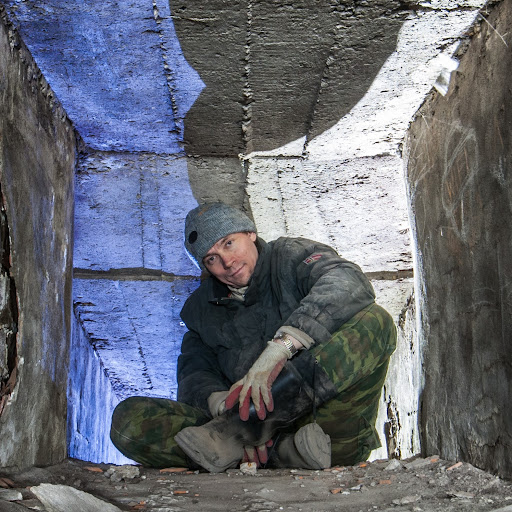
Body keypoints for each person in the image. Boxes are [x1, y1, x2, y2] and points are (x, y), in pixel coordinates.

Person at [110, 202, 397, 472]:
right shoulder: (200, 310)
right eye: (212, 259)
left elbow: (347, 282)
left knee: (376, 322)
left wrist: (281, 348)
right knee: (129, 420)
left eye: (228, 243)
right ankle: (267, 446)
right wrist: (221, 404)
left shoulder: (291, 256)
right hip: (229, 433)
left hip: (324, 431)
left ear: (250, 233)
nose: (227, 262)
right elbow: (194, 374)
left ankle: (244, 436)